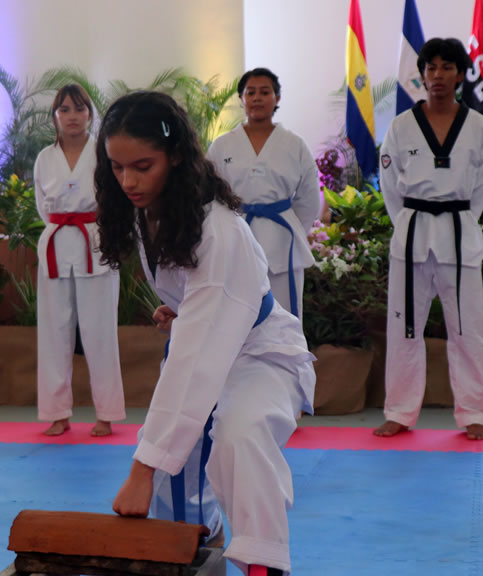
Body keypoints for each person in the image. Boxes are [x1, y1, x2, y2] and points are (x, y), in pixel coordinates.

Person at [99, 91, 315, 576]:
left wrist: (140, 468)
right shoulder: (149, 208)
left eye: (142, 165)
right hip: (207, 343)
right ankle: (200, 550)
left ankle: (264, 567)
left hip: (261, 355)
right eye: (116, 167)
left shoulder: (217, 228)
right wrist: (183, 310)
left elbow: (197, 355)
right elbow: (199, 310)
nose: (128, 181)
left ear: (175, 158)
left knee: (239, 435)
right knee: (179, 484)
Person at [375, 38, 483, 441]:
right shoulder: (401, 125)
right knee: (405, 327)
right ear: (422, 73)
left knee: (467, 328)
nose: (438, 75)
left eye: (447, 67)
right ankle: (400, 411)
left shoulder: (478, 126)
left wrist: (459, 220)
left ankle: (474, 412)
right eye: (431, 68)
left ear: (461, 74)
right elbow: (391, 187)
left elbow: (481, 186)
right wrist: (410, 221)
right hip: (412, 231)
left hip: (459, 231)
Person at [34, 84, 125, 437]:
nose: (72, 116)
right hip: (57, 245)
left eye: (79, 109)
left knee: (99, 331)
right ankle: (58, 413)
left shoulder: (105, 154)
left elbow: (118, 198)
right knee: (54, 332)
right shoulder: (45, 158)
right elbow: (44, 207)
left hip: (96, 243)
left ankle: (107, 413)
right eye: (65, 110)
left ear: (91, 113)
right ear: (55, 117)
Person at [207, 68, 321, 321]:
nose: (257, 98)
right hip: (236, 234)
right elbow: (209, 194)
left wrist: (293, 229)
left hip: (283, 238)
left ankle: (287, 361)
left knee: (285, 318)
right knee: (237, 317)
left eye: (265, 92)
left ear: (277, 98)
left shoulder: (294, 144)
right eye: (251, 92)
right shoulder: (222, 145)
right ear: (241, 99)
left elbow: (309, 198)